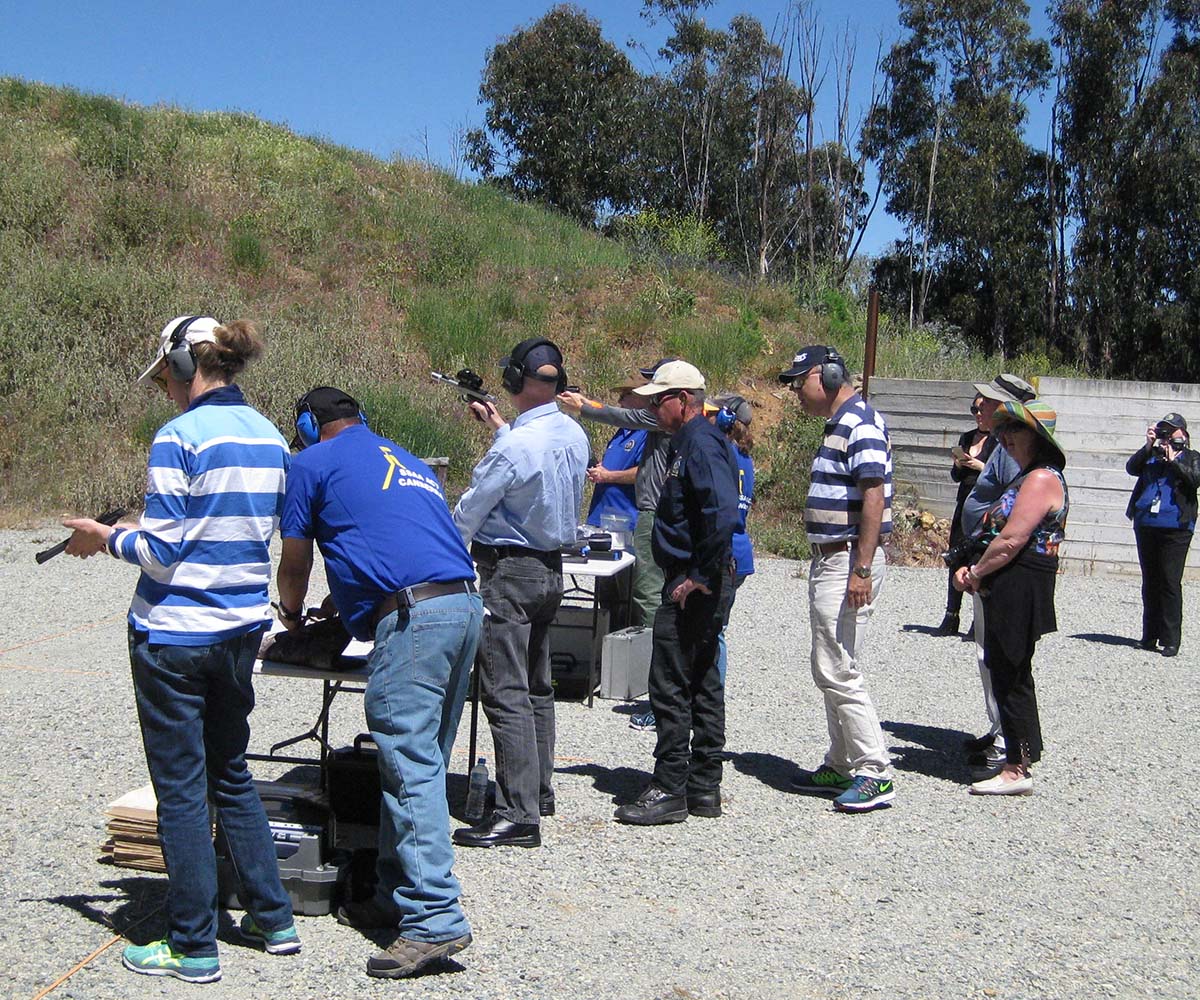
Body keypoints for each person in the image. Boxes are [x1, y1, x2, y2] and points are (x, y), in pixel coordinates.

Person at [63, 316, 297, 983]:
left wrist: (103, 537)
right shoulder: (268, 435)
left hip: (174, 635)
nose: (164, 388)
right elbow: (222, 528)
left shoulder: (179, 436)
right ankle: (272, 918)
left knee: (182, 791)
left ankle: (193, 944)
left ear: (181, 364)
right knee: (231, 772)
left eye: (165, 374)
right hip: (238, 631)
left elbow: (163, 553)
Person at [275, 386, 482, 979]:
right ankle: (395, 892)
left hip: (414, 617)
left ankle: (434, 919)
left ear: (310, 425)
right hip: (463, 607)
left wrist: (292, 617)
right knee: (422, 765)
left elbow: (296, 561)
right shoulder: (408, 460)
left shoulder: (309, 463)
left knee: (408, 766)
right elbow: (391, 541)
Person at [451, 338, 589, 849]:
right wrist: (499, 427)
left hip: (508, 573)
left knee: (504, 691)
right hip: (551, 571)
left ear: (515, 381)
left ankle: (517, 814)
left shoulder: (511, 448)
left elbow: (472, 509)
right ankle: (539, 790)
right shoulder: (572, 433)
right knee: (537, 688)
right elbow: (537, 466)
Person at [613, 362, 740, 825]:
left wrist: (701, 574)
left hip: (691, 582)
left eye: (658, 398)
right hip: (696, 576)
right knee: (704, 679)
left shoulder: (700, 444)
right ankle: (703, 787)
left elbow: (723, 513)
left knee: (669, 683)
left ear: (684, 399)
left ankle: (670, 786)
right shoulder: (691, 442)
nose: (651, 405)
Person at [779, 345, 896, 813]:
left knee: (836, 666)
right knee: (833, 661)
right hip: (836, 558)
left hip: (847, 558)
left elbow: (874, 498)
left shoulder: (859, 423)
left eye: (797, 382)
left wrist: (861, 569)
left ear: (824, 376)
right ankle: (841, 760)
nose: (794, 393)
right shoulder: (844, 422)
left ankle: (874, 770)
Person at [954, 399, 1068, 796]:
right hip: (1015, 579)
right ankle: (1024, 752)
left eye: (1014, 431)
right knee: (1011, 668)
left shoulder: (1039, 479)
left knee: (1008, 670)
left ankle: (1016, 768)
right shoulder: (1030, 476)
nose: (1005, 438)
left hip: (1020, 581)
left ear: (1036, 438)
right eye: (1003, 431)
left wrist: (976, 572)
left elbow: (1012, 539)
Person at [558, 358, 675, 731]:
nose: (632, 399)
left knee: (643, 598)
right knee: (618, 597)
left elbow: (613, 417)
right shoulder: (647, 424)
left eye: (637, 393)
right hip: (614, 518)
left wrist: (584, 407)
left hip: (637, 517)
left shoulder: (654, 421)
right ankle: (618, 669)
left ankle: (649, 684)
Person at [956, 373, 1038, 771]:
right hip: (986, 559)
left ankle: (1009, 739)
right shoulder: (1003, 445)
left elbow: (1008, 515)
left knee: (997, 656)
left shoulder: (1010, 448)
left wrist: (981, 565)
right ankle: (1001, 729)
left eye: (988, 402)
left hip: (997, 565)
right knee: (990, 653)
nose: (980, 408)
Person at [1125, 412, 1199, 657]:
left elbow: (1194, 480)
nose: (1166, 435)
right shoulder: (1152, 455)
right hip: (1147, 524)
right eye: (1163, 430)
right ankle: (1149, 637)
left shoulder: (1192, 457)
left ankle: (1170, 640)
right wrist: (1148, 445)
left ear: (1184, 435)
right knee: (1150, 581)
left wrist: (1174, 460)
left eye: (1171, 430)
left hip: (1176, 527)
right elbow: (1131, 468)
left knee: (1169, 581)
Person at [703, 393, 756, 686]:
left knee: (709, 632)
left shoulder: (722, 452)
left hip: (723, 550)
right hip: (739, 550)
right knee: (716, 629)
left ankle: (710, 698)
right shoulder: (744, 457)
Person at [935, 393, 997, 636]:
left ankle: (978, 620)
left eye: (982, 409)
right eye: (974, 410)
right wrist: (960, 465)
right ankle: (952, 614)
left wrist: (981, 467)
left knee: (979, 560)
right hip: (964, 503)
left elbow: (1001, 476)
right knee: (955, 557)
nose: (979, 415)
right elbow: (956, 476)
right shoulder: (967, 437)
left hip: (986, 506)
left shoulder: (1000, 441)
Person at [584, 385, 647, 530]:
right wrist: (600, 469)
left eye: (625, 395)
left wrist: (608, 476)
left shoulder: (648, 433)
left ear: (641, 397)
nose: (619, 401)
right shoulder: (622, 430)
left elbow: (645, 472)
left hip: (626, 523)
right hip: (600, 517)